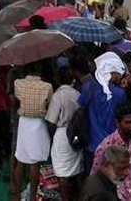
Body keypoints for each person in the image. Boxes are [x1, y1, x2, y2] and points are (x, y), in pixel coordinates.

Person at [79, 52, 127, 174]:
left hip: (91, 144)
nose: (120, 77)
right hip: (112, 145)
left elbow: (81, 104)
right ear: (112, 72)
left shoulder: (89, 87)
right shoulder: (119, 93)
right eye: (119, 74)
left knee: (90, 178)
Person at [12, 62, 53, 201]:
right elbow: (49, 104)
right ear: (39, 71)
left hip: (23, 122)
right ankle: (33, 195)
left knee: (21, 159)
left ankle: (17, 193)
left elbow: (17, 100)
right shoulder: (47, 86)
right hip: (38, 124)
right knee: (35, 162)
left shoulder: (18, 83)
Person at [45, 66, 82, 201]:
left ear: (57, 79)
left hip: (62, 135)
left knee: (62, 173)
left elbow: (51, 120)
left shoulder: (58, 96)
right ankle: (80, 197)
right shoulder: (77, 94)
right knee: (77, 170)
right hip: (76, 134)